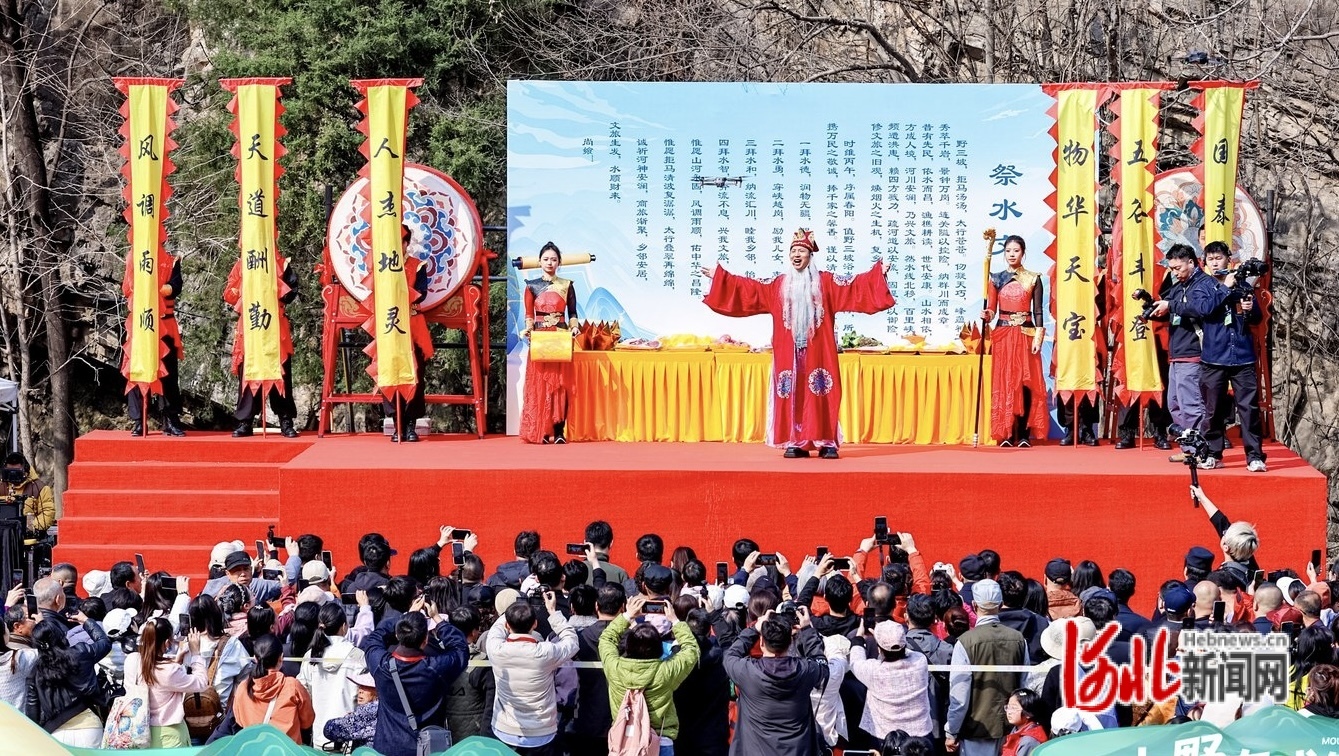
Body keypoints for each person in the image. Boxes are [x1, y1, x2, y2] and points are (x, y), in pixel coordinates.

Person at [700, 228, 895, 459]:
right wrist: (720, 278)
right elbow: (749, 289)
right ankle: (797, 441)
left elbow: (854, 286)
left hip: (819, 352)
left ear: (810, 256)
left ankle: (827, 442)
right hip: (788, 355)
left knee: (822, 393)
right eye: (793, 251)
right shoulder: (779, 285)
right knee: (792, 394)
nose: (796, 255)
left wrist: (877, 275)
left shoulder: (826, 282)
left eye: (801, 250)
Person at [1198, 241, 1267, 471]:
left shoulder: (1243, 284)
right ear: (1205, 263)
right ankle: (1213, 454)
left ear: (1229, 258)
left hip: (1243, 355)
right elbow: (1205, 309)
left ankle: (1255, 456)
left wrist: (1250, 309)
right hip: (1214, 357)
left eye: (1219, 257)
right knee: (1213, 408)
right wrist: (1224, 288)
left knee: (1249, 408)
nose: (1215, 262)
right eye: (1211, 259)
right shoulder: (1204, 286)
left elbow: (1257, 318)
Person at [362, 607, 469, 756]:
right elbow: (460, 648)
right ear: (425, 640)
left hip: (388, 747)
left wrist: (404, 618)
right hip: (427, 748)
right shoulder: (437, 669)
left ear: (398, 636)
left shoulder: (381, 665)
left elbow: (374, 639)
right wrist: (437, 619)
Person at [724, 606, 830, 755]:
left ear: (762, 642)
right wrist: (807, 630)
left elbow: (730, 655)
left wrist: (754, 629)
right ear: (789, 642)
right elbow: (822, 665)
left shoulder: (747, 672)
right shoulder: (805, 670)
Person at [484, 592, 579, 755]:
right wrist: (553, 612)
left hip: (505, 730)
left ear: (507, 625)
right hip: (541, 733)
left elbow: (496, 629)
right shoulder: (546, 652)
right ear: (535, 624)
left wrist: (513, 609)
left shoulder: (495, 649)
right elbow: (571, 641)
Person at [223, 250, 302, 438]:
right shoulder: (242, 264)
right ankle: (246, 420)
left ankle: (285, 419)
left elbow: (291, 294)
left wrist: (273, 286)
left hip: (274, 327)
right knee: (249, 372)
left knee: (280, 372)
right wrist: (240, 289)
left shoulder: (282, 263)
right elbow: (229, 294)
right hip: (250, 327)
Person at [945, 579, 1028, 756]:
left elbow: (959, 695)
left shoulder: (966, 642)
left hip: (976, 731)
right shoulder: (1019, 639)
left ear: (974, 605)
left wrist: (951, 731)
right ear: (1000, 604)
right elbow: (1024, 686)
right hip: (1010, 729)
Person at [983, 235, 1048, 447]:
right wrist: (987, 314)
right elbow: (992, 310)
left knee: (1026, 383)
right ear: (1004, 253)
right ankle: (1007, 433)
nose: (1012, 254)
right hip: (1003, 335)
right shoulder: (996, 279)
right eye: (1008, 250)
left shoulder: (1033, 278)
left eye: (1016, 250)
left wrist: (1039, 336)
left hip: (1026, 334)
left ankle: (1024, 434)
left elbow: (1038, 311)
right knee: (1006, 383)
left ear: (1023, 253)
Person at [1152, 244, 1212, 462]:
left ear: (1191, 262)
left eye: (1178, 268)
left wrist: (1171, 305)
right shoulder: (1178, 286)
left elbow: (1200, 309)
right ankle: (1188, 447)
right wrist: (1154, 310)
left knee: (1192, 405)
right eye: (1172, 269)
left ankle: (1200, 450)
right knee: (1175, 404)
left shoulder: (1204, 284)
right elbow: (1171, 309)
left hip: (1193, 353)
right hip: (1176, 353)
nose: (1175, 272)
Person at [520, 241, 581, 444]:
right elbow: (529, 315)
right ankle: (543, 431)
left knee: (560, 384)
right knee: (540, 383)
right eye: (546, 259)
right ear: (539, 262)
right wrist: (528, 330)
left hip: (560, 337)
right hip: (540, 337)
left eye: (553, 259)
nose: (549, 262)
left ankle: (559, 431)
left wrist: (574, 327)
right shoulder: (531, 286)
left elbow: (572, 313)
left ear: (559, 262)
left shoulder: (567, 285)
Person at [380, 223, 434, 443]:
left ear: (406, 243)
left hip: (411, 324)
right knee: (389, 371)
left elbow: (421, 293)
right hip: (389, 326)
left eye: (401, 241)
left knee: (414, 373)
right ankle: (396, 423)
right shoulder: (380, 265)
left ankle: (410, 423)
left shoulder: (417, 266)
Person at [25, 613, 111, 747]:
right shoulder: (81, 652)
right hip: (89, 726)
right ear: (62, 636)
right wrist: (86, 621)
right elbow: (104, 642)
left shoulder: (35, 672)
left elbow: (32, 711)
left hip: (56, 733)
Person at [124, 251, 186, 436]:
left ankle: (171, 419)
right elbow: (127, 288)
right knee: (137, 371)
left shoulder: (170, 260)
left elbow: (176, 286)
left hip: (164, 324)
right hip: (141, 323)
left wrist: (160, 289)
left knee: (168, 374)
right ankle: (138, 421)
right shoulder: (133, 257)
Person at [122, 617, 210, 747]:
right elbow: (201, 683)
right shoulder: (169, 670)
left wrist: (176, 662)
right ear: (167, 643)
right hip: (169, 734)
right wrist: (196, 654)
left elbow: (156, 671)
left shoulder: (132, 660)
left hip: (139, 731)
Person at [848, 619, 933, 741]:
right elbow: (905, 650)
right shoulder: (920, 661)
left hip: (886, 737)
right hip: (920, 733)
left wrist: (859, 637)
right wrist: (890, 637)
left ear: (879, 649)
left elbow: (855, 661)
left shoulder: (874, 670)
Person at [298, 602, 367, 751]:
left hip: (319, 735)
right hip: (349, 737)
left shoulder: (311, 656)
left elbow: (302, 692)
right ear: (344, 626)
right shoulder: (357, 656)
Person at [232, 633, 316, 744]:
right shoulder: (293, 687)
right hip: (287, 751)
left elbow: (240, 721)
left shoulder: (243, 688)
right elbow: (308, 721)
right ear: (281, 658)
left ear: (255, 658)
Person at [2, 453, 56, 538]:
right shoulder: (2, 486)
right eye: (9, 471)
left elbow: (48, 512)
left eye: (16, 472)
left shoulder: (40, 488)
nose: (13, 475)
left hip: (28, 538)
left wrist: (32, 526)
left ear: (25, 470)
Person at [323, 670, 379, 749]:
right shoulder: (390, 708)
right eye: (360, 686)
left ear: (378, 690)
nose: (360, 691)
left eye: (366, 687)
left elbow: (330, 729)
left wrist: (347, 718)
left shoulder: (368, 711)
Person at [1001, 688, 1048, 756]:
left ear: (1028, 713)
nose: (1009, 712)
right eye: (1008, 707)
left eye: (1014, 708)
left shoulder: (1029, 741)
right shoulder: (1017, 729)